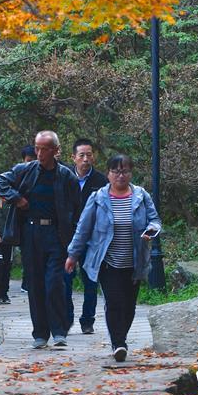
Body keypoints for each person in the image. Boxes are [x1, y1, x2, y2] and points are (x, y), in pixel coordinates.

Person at [65, 154, 162, 363]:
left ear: (131, 173)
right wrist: (73, 255)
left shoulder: (141, 196)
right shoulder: (98, 198)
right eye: (116, 171)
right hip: (107, 262)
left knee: (129, 306)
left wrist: (151, 231)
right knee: (114, 301)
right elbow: (83, 228)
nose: (120, 175)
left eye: (125, 171)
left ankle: (121, 337)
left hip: (134, 261)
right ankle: (118, 343)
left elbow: (155, 220)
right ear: (108, 174)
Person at [0, 131, 81, 349]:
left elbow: (77, 208)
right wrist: (17, 199)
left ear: (55, 150)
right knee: (35, 284)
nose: (39, 153)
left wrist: (75, 240)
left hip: (56, 235)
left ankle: (59, 332)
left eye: (44, 149)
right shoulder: (24, 170)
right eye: (37, 148)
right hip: (31, 234)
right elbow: (0, 182)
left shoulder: (66, 176)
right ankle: (40, 334)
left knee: (54, 283)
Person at [64, 137, 108, 334]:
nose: (85, 159)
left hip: (93, 239)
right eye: (81, 155)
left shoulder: (100, 181)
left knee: (91, 280)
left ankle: (87, 320)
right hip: (69, 237)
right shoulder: (64, 178)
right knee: (65, 279)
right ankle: (67, 316)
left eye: (89, 155)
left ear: (93, 157)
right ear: (73, 157)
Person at [19, 143, 37, 291]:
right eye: (28, 160)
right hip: (24, 222)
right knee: (27, 254)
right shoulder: (18, 173)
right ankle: (27, 281)